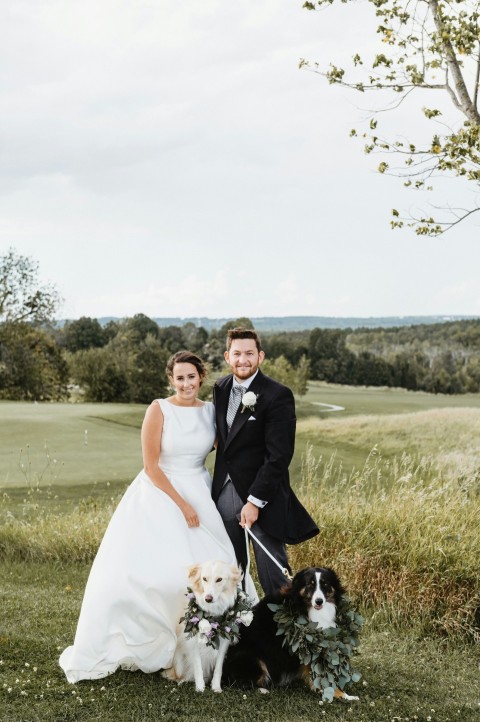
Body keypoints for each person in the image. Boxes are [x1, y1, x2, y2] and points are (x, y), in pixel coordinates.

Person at [60, 350, 255, 684]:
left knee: (216, 564)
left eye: (191, 377)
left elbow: (226, 446)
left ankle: (215, 647)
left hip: (199, 489)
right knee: (156, 573)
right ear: (171, 380)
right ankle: (162, 646)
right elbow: (151, 466)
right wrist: (183, 505)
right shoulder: (158, 409)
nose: (185, 383)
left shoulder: (210, 412)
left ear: (201, 377)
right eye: (179, 378)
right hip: (160, 494)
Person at [212, 327, 319, 595]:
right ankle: (237, 629)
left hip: (263, 497)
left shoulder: (277, 394)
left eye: (249, 353)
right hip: (223, 492)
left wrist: (255, 501)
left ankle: (285, 631)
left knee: (273, 573)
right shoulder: (220, 388)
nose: (243, 359)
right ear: (227, 356)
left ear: (260, 357)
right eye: (237, 353)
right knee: (230, 572)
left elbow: (279, 455)